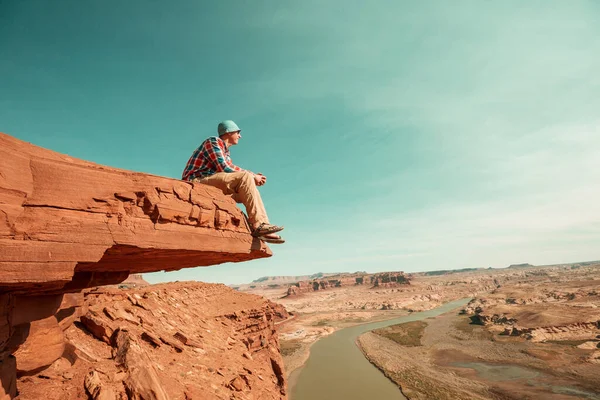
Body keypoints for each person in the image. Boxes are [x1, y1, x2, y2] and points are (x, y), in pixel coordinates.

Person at [182, 120, 284, 244]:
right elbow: (225, 168)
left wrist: (251, 178)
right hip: (195, 182)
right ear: (228, 132)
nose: (240, 136)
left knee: (246, 188)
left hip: (210, 183)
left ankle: (261, 229)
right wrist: (252, 175)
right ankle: (260, 224)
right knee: (245, 178)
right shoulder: (213, 141)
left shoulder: (226, 152)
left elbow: (229, 170)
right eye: (238, 132)